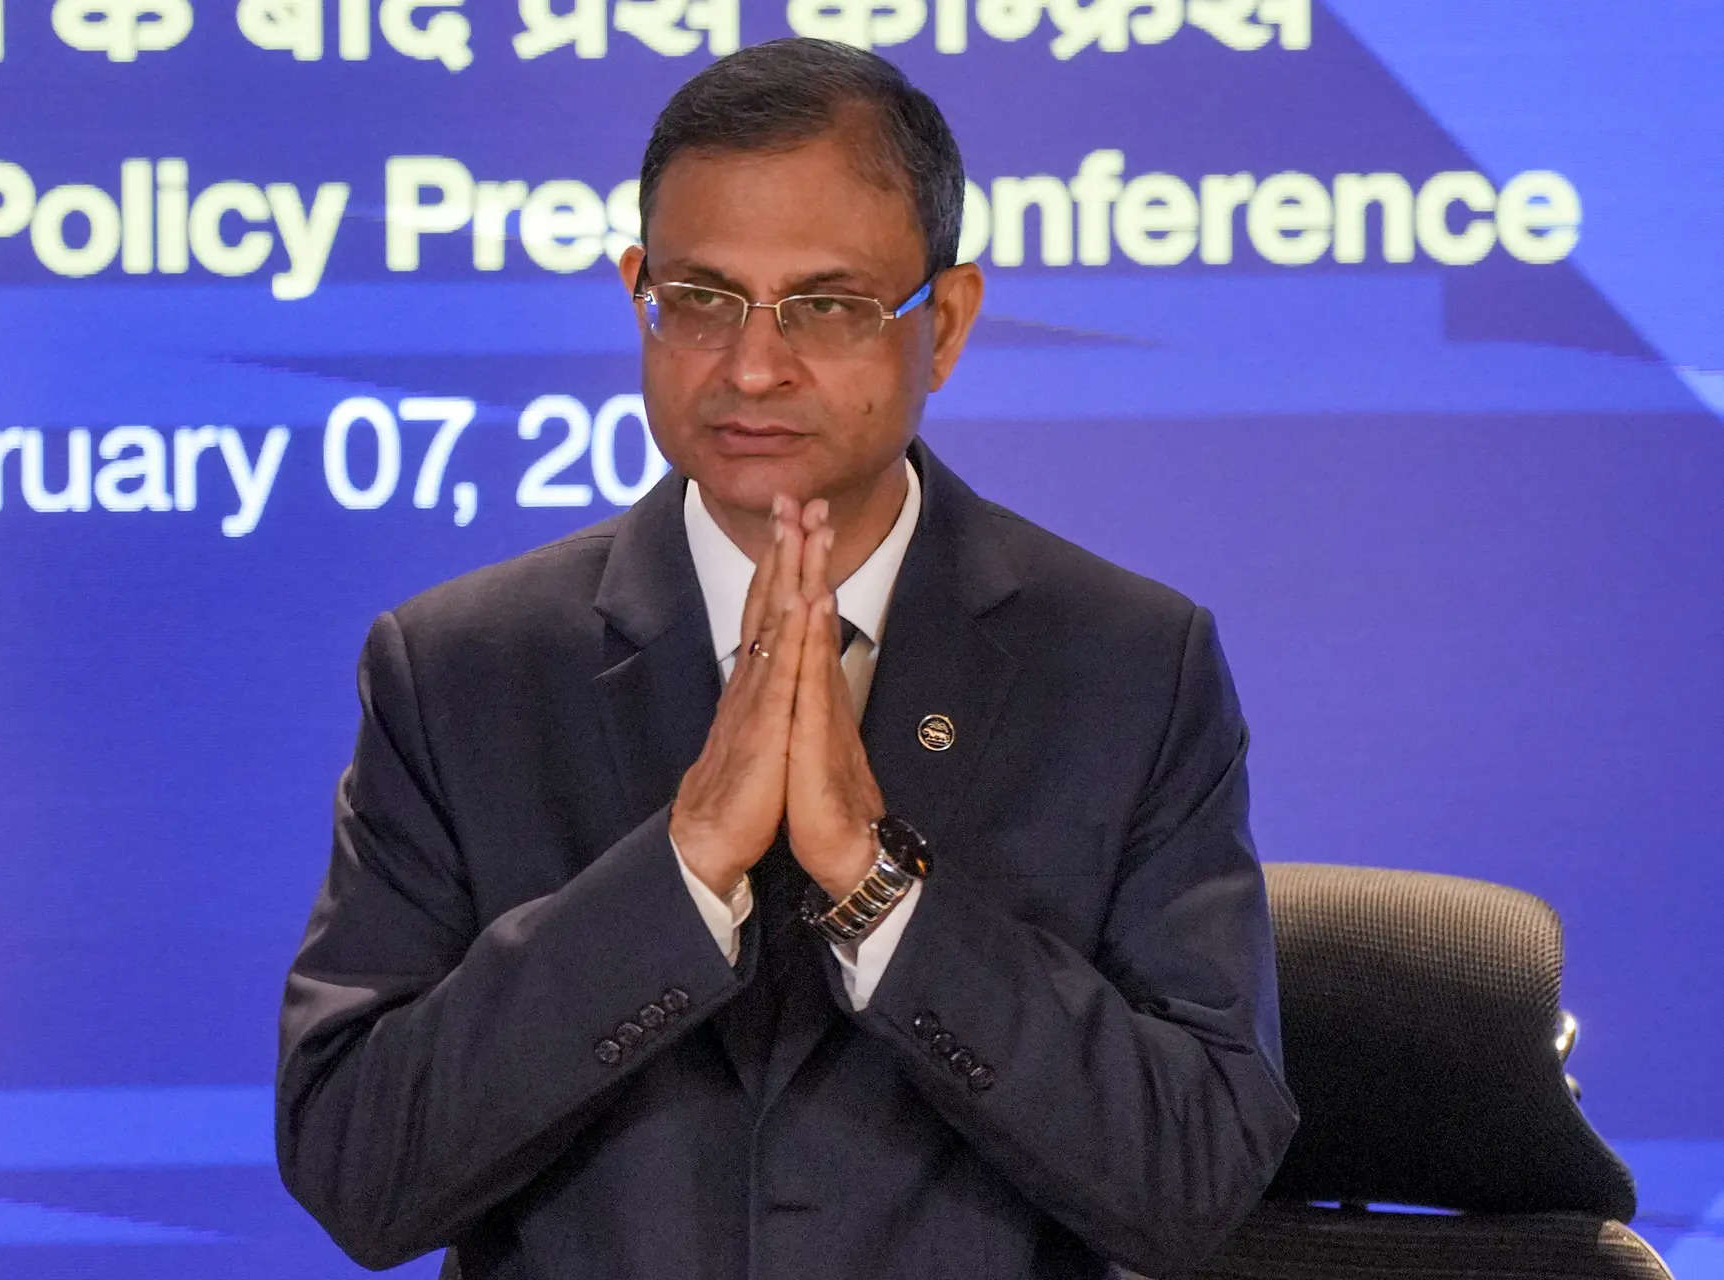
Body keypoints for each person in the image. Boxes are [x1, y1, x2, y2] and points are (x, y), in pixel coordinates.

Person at [276, 37, 1296, 1280]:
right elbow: (355, 1171)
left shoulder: (1127, 665)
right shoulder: (460, 670)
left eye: (826, 304)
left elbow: (1191, 1177)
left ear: (949, 323)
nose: (751, 364)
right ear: (636, 294)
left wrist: (874, 885)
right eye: (700, 298)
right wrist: (682, 863)